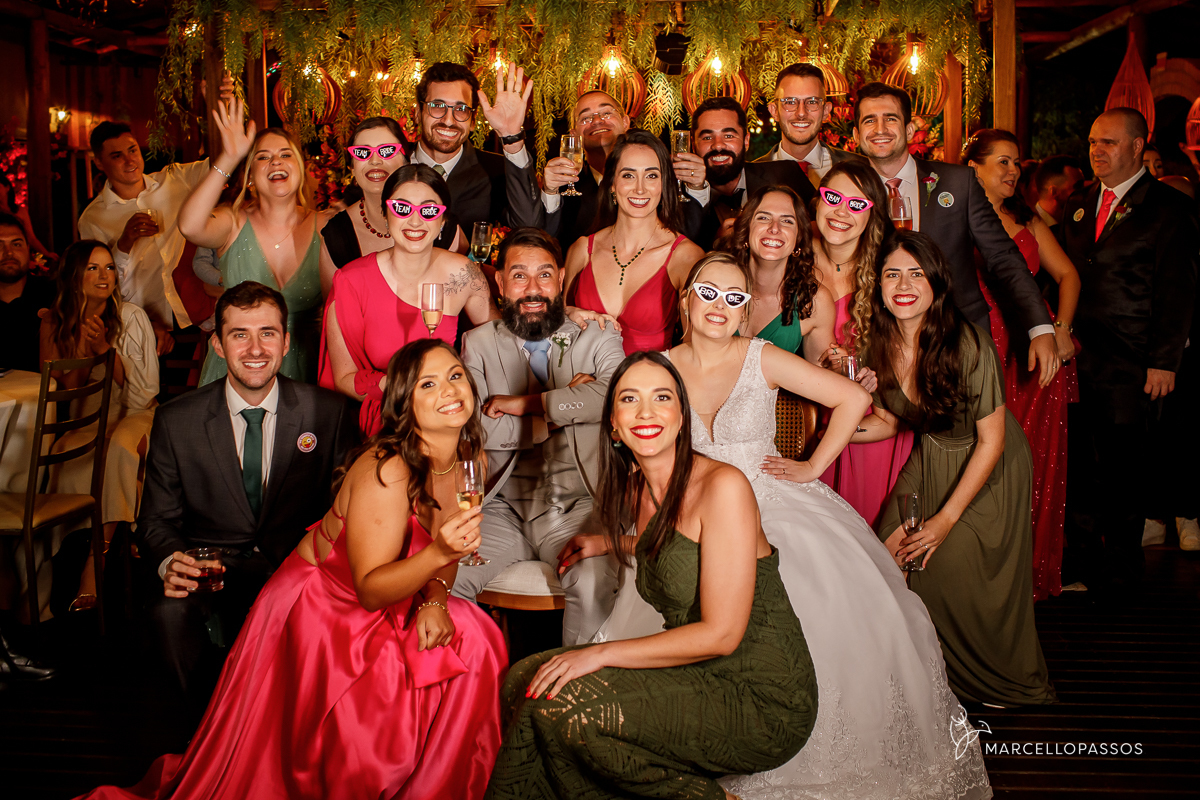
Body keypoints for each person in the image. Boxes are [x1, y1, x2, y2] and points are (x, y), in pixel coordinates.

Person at [587, 254, 991, 798]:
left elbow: (853, 397)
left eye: (735, 298)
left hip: (773, 500)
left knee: (813, 605)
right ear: (685, 301)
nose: (719, 306)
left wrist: (812, 466)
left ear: (745, 312)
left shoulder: (762, 356)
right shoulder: (658, 370)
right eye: (708, 293)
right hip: (695, 514)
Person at [78, 338, 506, 800]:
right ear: (405, 402)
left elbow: (451, 549)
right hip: (326, 607)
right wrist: (439, 555)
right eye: (428, 384)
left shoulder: (470, 459)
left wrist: (437, 600)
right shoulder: (388, 472)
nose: (449, 390)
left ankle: (439, 784)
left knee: (477, 634)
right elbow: (370, 589)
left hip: (397, 592)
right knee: (388, 684)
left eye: (455, 376)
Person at [485, 351, 819, 800]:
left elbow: (722, 635)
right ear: (613, 424)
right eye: (629, 399)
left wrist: (599, 654)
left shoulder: (723, 487)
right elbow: (675, 548)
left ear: (682, 417)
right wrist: (609, 543)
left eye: (661, 397)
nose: (646, 412)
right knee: (523, 681)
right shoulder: (637, 488)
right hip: (696, 673)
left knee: (567, 708)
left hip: (761, 696)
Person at [135, 282, 358, 710]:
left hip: (297, 567)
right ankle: (202, 728)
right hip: (211, 568)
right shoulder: (176, 421)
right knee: (167, 611)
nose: (255, 349)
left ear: (286, 342)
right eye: (240, 335)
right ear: (218, 345)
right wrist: (171, 562)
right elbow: (156, 520)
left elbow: (346, 510)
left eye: (267, 333)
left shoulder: (327, 413)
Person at [868, 231, 1056, 707]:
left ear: (936, 283)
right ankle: (920, 670)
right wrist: (829, 434)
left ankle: (993, 679)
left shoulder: (967, 342)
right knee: (886, 553)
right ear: (879, 284)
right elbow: (887, 422)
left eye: (916, 274)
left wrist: (945, 520)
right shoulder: (879, 342)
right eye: (892, 274)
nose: (903, 285)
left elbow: (992, 441)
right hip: (931, 454)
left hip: (989, 463)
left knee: (944, 565)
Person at [455, 228, 625, 646]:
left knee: (593, 580)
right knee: (445, 578)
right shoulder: (477, 344)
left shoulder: (599, 334)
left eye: (545, 275)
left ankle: (577, 686)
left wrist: (525, 404)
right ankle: (468, 687)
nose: (533, 289)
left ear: (561, 278)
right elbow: (477, 428)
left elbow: (616, 399)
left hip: (579, 507)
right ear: (499, 282)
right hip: (502, 509)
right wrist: (562, 411)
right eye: (519, 276)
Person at [1059, 108, 1198, 591]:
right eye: (1093, 142)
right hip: (1078, 359)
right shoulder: (1078, 203)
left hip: (1133, 363)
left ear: (1138, 147)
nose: (1096, 151)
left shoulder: (1169, 208)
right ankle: (1079, 562)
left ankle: (1121, 569)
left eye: (1109, 142)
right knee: (1080, 466)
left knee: (1125, 470)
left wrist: (1164, 361)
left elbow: (1178, 290)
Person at [853, 82, 1062, 389]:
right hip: (882, 347)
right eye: (869, 120)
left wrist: (1040, 326)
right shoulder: (847, 191)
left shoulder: (957, 182)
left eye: (891, 118)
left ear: (909, 130)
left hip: (960, 338)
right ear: (856, 134)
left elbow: (1004, 257)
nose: (880, 129)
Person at [965, 129, 1082, 601]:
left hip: (1033, 352)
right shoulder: (953, 214)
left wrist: (1061, 327)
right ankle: (980, 570)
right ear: (973, 168)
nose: (1014, 171)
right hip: (982, 346)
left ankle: (1029, 569)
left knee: (1032, 459)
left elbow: (1068, 274)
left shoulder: (1027, 219)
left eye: (1016, 162)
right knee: (985, 456)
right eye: (1003, 162)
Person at [319, 165, 498, 436]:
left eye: (428, 210)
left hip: (449, 419)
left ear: (442, 220)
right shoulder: (351, 281)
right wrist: (411, 389)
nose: (415, 221)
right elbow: (344, 378)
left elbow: (499, 347)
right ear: (385, 214)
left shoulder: (463, 274)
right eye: (402, 208)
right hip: (387, 424)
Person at [41, 241, 158, 613]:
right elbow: (65, 391)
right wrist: (82, 345)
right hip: (90, 416)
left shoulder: (133, 316)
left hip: (137, 413)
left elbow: (143, 393)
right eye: (92, 268)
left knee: (120, 448)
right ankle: (54, 563)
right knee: (61, 453)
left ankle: (97, 560)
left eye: (109, 267)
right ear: (74, 276)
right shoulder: (55, 321)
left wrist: (107, 349)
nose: (104, 276)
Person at [179, 96, 329, 386]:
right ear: (249, 176)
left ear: (299, 169)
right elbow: (189, 225)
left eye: (286, 154)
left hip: (306, 370)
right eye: (263, 156)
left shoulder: (323, 226)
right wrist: (229, 156)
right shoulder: (233, 223)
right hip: (239, 368)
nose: (276, 161)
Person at [78, 81, 233, 353]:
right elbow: (99, 282)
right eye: (117, 156)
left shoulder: (174, 179)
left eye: (133, 150)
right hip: (141, 323)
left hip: (195, 312)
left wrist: (219, 106)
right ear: (99, 163)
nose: (130, 161)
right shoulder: (93, 218)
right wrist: (125, 241)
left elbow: (225, 162)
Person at [805, 162, 915, 528]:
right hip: (807, 420)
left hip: (877, 424)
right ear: (818, 201)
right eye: (833, 197)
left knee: (871, 538)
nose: (841, 211)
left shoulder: (889, 269)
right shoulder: (792, 255)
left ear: (872, 214)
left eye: (857, 204)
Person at [565, 130, 704, 355]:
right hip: (581, 376)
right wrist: (567, 313)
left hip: (653, 376)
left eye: (651, 176)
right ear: (612, 183)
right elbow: (559, 335)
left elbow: (696, 350)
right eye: (628, 175)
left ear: (664, 183)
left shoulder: (686, 256)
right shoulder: (582, 250)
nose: (640, 189)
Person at [411, 61, 543, 232]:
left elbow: (529, 226)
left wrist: (512, 137)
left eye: (461, 109)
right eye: (437, 106)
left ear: (473, 121)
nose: (448, 120)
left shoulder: (496, 171)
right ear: (417, 113)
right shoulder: (391, 161)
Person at [319, 116, 463, 272]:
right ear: (352, 168)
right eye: (362, 152)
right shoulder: (336, 234)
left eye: (387, 151)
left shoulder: (443, 224)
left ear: (406, 161)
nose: (375, 161)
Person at [718, 185, 834, 361]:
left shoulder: (815, 301)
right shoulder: (713, 283)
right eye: (764, 218)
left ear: (798, 239)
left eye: (787, 221)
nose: (774, 228)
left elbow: (821, 373)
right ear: (746, 230)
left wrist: (842, 369)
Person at [685, 96, 816, 249]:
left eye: (729, 136)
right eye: (707, 137)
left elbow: (819, 228)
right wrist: (717, 243)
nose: (718, 145)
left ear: (746, 141)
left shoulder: (786, 174)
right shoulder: (676, 196)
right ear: (693, 144)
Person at [541, 90, 631, 252]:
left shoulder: (652, 180)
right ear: (574, 134)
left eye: (606, 113)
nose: (597, 121)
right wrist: (549, 192)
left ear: (625, 122)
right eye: (586, 118)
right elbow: (546, 242)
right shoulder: (564, 188)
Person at [756, 62, 865, 181]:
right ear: (774, 111)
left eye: (812, 102)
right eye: (790, 102)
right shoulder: (750, 176)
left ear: (826, 111)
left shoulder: (861, 169)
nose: (801, 113)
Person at [0, 212, 55, 372]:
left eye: (16, 244)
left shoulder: (54, 297)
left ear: (28, 249)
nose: (9, 252)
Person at [1032, 155, 1084, 228]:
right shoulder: (1030, 228)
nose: (1084, 191)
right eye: (1078, 186)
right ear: (1054, 192)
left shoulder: (1074, 223)